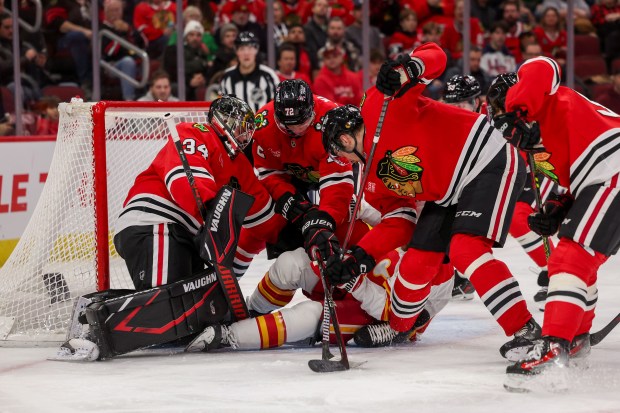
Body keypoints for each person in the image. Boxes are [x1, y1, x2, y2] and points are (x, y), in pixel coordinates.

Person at [321, 43, 540, 355]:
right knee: (415, 265)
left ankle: (525, 328)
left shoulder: (377, 105)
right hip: (449, 192)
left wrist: (407, 68)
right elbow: (401, 222)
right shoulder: (371, 180)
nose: (342, 161)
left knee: (466, 249)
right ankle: (401, 327)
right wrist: (358, 257)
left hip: (487, 159)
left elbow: (437, 54)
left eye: (338, 153)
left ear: (344, 139)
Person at [56, 96, 282, 361]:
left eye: (247, 127)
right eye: (237, 124)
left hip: (186, 237)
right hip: (155, 224)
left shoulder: (241, 167)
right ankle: (89, 330)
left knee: (192, 315)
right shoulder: (195, 132)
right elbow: (182, 179)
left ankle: (99, 311)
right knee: (168, 307)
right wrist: (212, 208)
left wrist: (300, 235)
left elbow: (266, 220)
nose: (243, 133)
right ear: (220, 121)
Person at [493, 56, 620, 390]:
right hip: (604, 174)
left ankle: (554, 348)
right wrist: (557, 208)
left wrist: (518, 110)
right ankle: (574, 337)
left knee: (570, 257)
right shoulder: (548, 136)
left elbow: (542, 64)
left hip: (614, 168)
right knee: (580, 262)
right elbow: (573, 184)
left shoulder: (542, 98)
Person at [187, 247, 453, 352]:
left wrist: (355, 283)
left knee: (313, 314)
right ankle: (249, 313)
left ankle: (230, 335)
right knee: (290, 264)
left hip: (383, 315)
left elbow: (394, 311)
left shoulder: (439, 270)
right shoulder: (402, 211)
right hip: (356, 280)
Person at [219, 31, 280, 112]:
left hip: (263, 124)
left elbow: (277, 106)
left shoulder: (269, 75)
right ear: (236, 51)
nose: (246, 53)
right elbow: (222, 109)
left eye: (250, 48)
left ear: (256, 50)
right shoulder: (226, 77)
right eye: (242, 49)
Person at [162, 20, 210, 101]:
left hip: (195, 86)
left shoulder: (202, 53)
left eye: (198, 35)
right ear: (186, 36)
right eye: (191, 34)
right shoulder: (174, 50)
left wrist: (202, 79)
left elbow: (207, 72)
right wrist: (189, 81)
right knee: (179, 88)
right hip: (177, 83)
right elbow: (172, 71)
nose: (195, 38)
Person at [101, 0, 139, 101]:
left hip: (133, 61)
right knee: (128, 62)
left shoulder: (127, 26)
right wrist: (118, 34)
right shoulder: (102, 29)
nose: (115, 13)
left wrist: (129, 30)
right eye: (112, 10)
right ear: (105, 12)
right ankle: (129, 100)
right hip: (110, 65)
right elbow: (108, 52)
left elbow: (143, 43)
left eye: (118, 10)